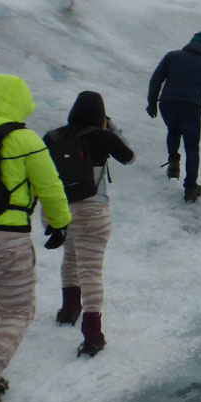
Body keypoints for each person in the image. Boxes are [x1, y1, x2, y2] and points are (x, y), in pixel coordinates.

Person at [0, 75, 71, 402]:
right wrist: (59, 223)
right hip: (9, 239)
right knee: (16, 311)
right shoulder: (25, 139)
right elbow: (50, 187)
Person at [47, 91, 134, 357]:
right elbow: (129, 157)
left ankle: (69, 310)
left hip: (63, 209)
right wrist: (112, 128)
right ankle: (93, 335)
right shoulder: (102, 136)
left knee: (70, 257)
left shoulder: (54, 137)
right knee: (91, 270)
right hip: (94, 210)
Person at [147, 32, 201, 202]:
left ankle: (173, 160)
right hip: (191, 108)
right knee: (192, 147)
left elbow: (156, 79)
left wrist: (152, 102)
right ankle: (191, 188)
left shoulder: (172, 56)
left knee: (173, 130)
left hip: (168, 105)